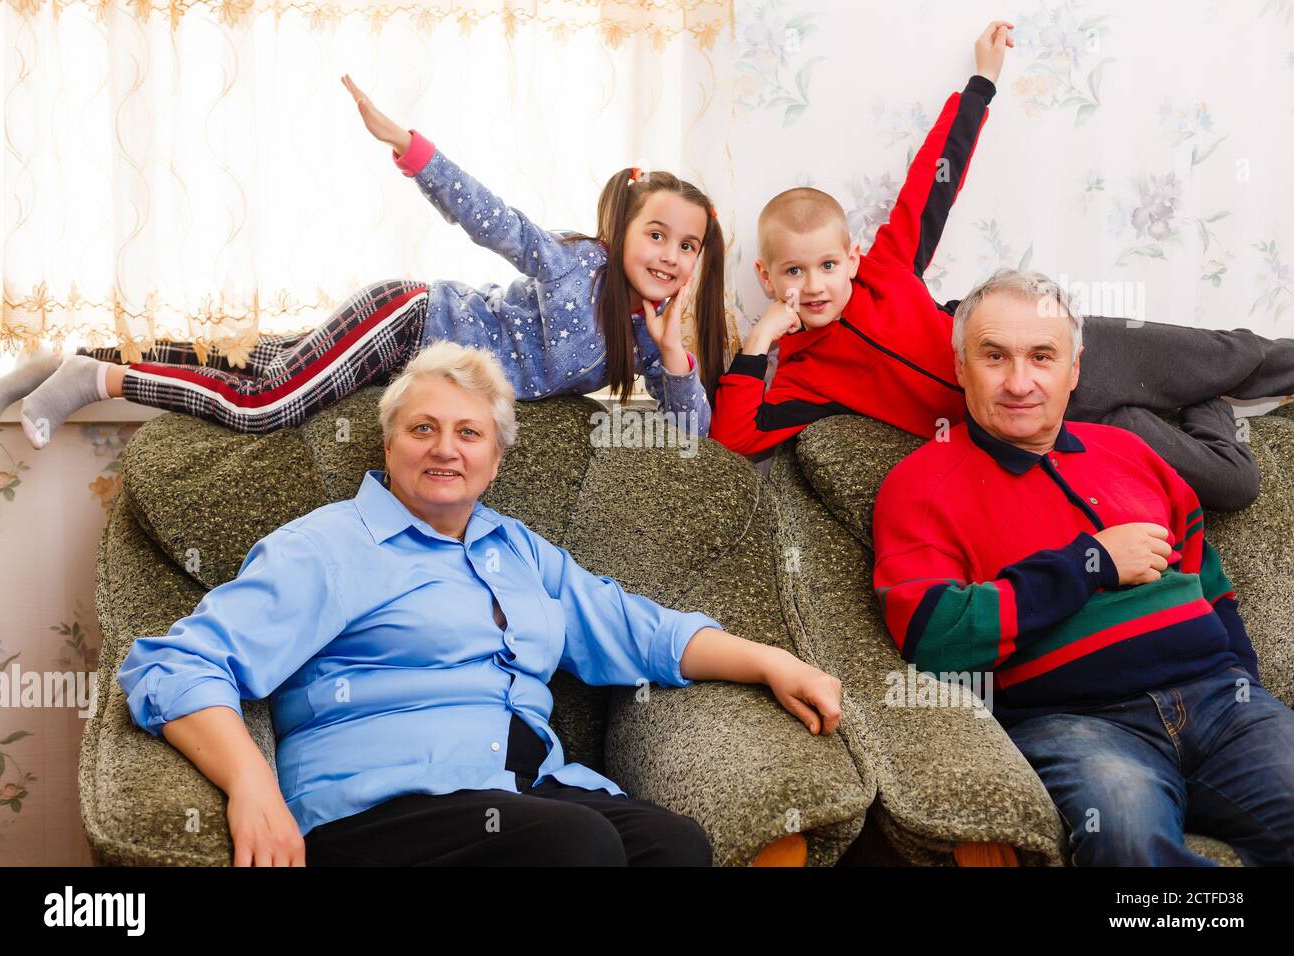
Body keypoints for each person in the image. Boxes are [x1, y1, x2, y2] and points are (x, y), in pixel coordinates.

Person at [117, 340, 842, 866]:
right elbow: (176, 663)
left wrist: (772, 661)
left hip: (528, 794)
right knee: (576, 845)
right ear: (390, 443)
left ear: (495, 460)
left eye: (469, 433)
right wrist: (251, 786)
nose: (445, 449)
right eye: (422, 428)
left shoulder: (517, 551)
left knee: (673, 847)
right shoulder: (330, 546)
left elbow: (635, 630)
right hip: (378, 810)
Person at [710, 20, 1291, 512]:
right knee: (1235, 486)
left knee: (1230, 356)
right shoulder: (803, 377)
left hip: (1064, 348)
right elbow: (733, 440)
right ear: (767, 278)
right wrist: (759, 341)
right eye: (792, 273)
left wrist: (981, 83)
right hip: (1048, 426)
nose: (814, 286)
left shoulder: (886, 269)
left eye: (827, 265)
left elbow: (932, 181)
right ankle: (1190, 403)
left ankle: (1200, 382)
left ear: (852, 258)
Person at [1, 74, 727, 446]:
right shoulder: (580, 266)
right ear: (622, 229)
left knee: (257, 363)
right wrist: (411, 148)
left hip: (413, 353)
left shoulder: (642, 340)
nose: (669, 255)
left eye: (687, 245)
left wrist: (673, 356)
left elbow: (689, 437)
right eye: (656, 234)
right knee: (266, 406)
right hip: (411, 322)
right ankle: (97, 379)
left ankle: (68, 358)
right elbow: (493, 220)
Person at [871, 269, 1294, 866]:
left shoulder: (1128, 450)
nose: (1020, 382)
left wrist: (1244, 686)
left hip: (1222, 704)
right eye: (995, 357)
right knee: (1127, 846)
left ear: (1073, 368)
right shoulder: (919, 485)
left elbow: (1212, 586)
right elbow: (935, 636)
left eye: (1042, 356)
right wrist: (1089, 563)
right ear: (961, 366)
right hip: (1078, 724)